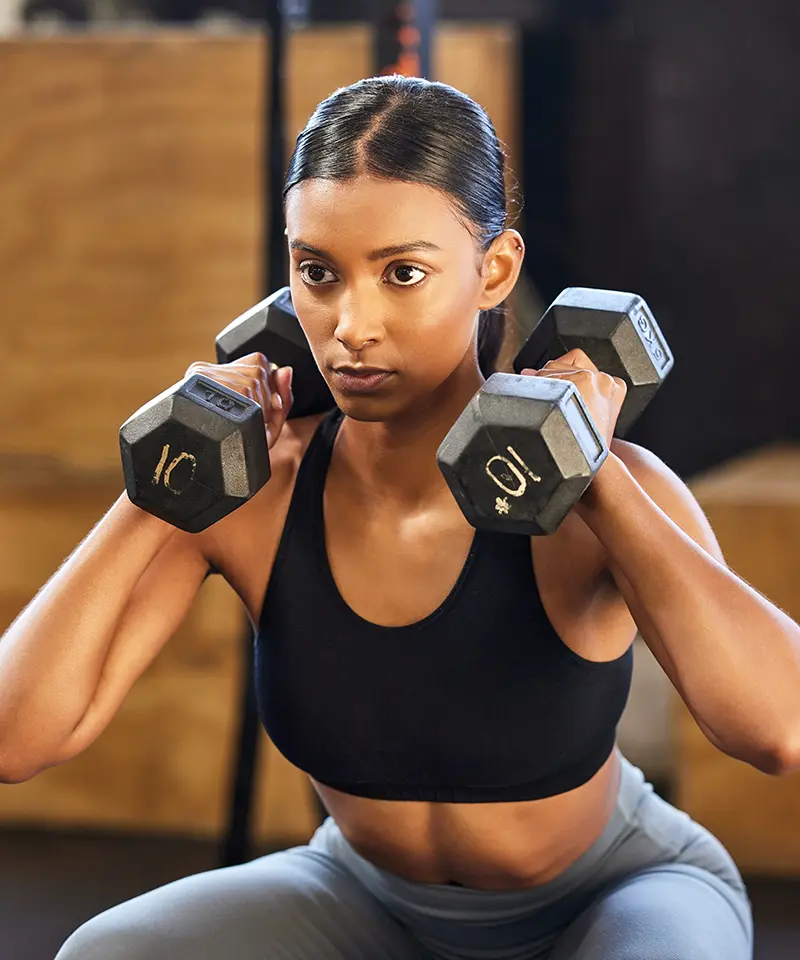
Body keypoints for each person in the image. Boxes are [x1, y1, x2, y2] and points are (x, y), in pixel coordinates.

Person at [2, 75, 798, 960]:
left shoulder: (612, 493)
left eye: (403, 273)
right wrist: (157, 490)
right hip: (360, 897)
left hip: (613, 890)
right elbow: (18, 738)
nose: (351, 325)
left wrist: (593, 470)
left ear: (493, 270)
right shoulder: (254, 492)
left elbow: (779, 730)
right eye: (318, 273)